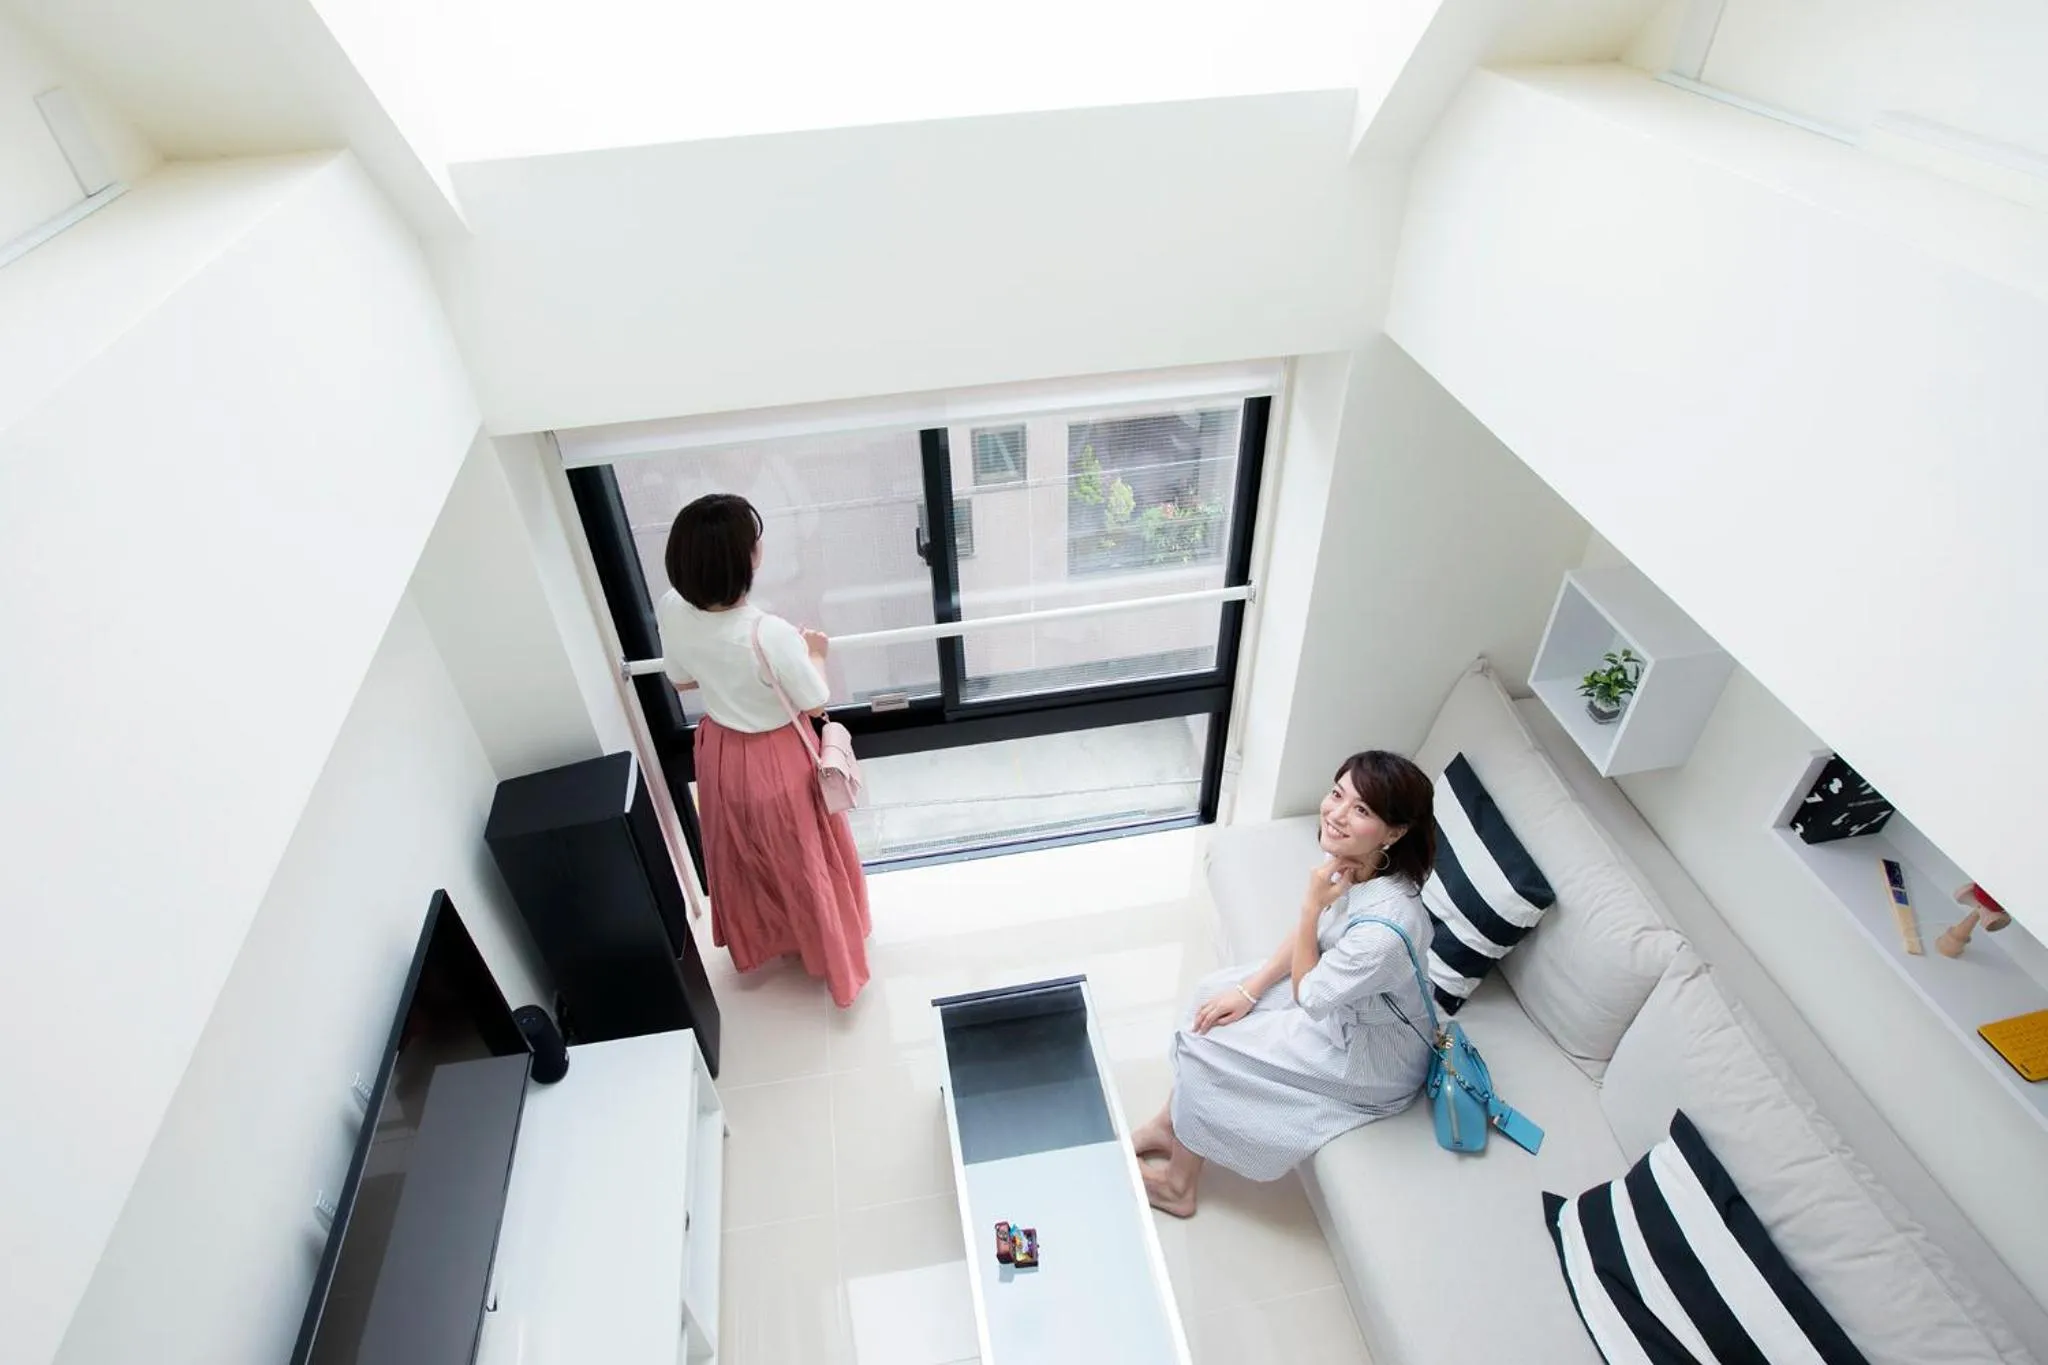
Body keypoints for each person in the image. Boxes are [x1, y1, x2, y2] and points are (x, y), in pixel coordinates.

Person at [1133, 750, 1438, 1216]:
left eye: (1361, 810)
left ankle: (1179, 1187)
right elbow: (1311, 943)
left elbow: (1310, 995)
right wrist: (1249, 990)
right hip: (1341, 1001)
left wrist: (1311, 905)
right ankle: (1167, 1125)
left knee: (1205, 1046)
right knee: (1210, 999)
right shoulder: (1363, 860)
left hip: (1369, 1058)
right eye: (1338, 794)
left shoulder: (1383, 932)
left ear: (1395, 832)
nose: (1336, 814)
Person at [656, 493, 871, 1007]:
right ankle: (824, 952)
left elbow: (680, 677)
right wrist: (816, 652)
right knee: (804, 858)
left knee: (751, 857)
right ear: (745, 560)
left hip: (723, 755)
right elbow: (816, 701)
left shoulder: (671, 608)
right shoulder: (767, 633)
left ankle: (771, 940)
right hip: (777, 759)